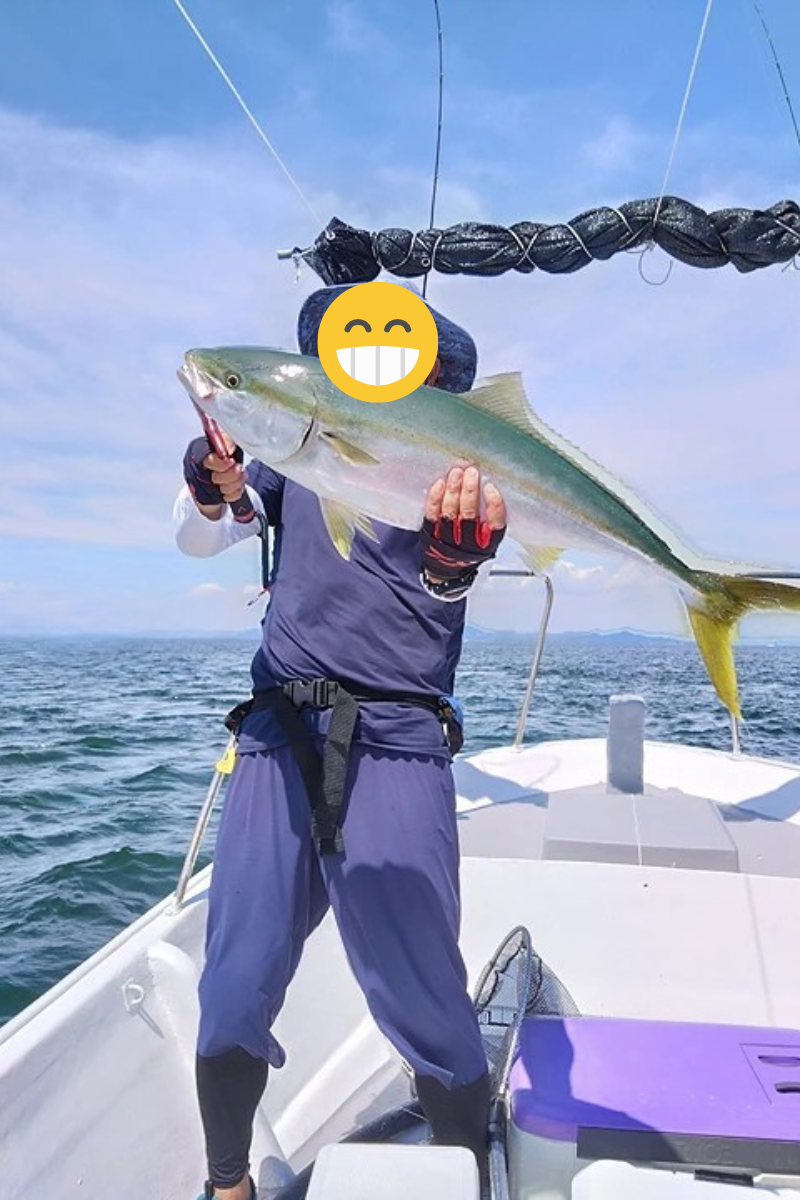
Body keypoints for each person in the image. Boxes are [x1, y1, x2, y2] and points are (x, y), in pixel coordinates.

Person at [174, 281, 507, 1200]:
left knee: (422, 989)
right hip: (278, 734)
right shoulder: (298, 444)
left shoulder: (454, 461)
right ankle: (228, 1186)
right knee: (233, 981)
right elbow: (209, 532)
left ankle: (468, 1172)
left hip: (398, 738)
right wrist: (208, 492)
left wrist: (455, 562)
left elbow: (445, 586)